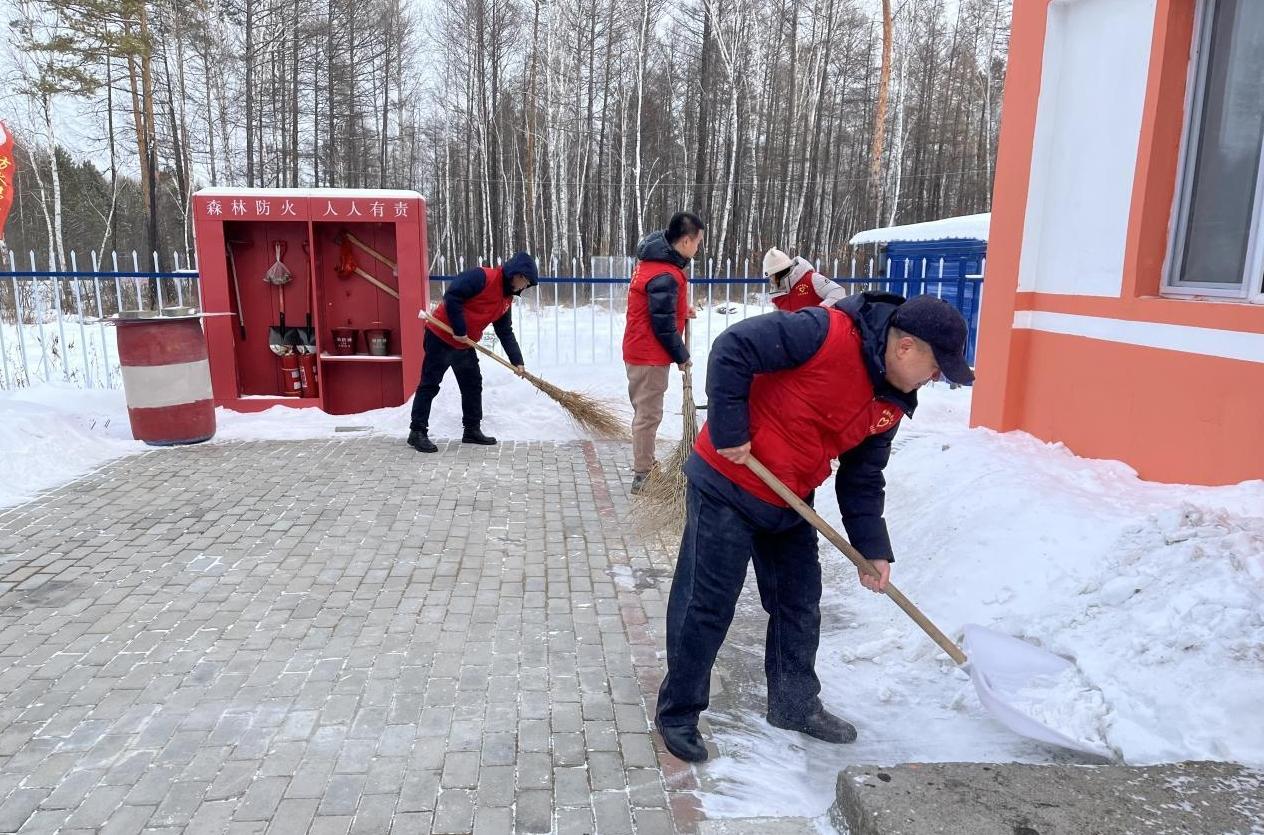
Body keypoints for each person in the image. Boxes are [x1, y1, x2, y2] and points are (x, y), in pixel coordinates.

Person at [654, 292, 975, 763]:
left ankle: (794, 705)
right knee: (707, 603)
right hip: (729, 481)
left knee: (799, 603)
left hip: (790, 497)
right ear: (905, 346)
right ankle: (678, 712)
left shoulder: (891, 401)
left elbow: (863, 477)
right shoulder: (824, 333)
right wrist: (730, 429)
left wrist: (872, 548)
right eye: (935, 367)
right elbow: (733, 347)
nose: (934, 378)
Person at [407, 252, 539, 452]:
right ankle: (416, 432)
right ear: (517, 274)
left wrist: (517, 360)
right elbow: (453, 295)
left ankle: (471, 429)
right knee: (430, 384)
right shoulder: (483, 277)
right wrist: (460, 329)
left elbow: (504, 331)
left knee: (472, 384)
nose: (525, 287)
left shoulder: (506, 300)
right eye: (526, 282)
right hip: (440, 335)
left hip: (464, 344)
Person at [622, 212, 704, 493]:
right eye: (697, 242)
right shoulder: (664, 274)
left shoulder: (654, 264)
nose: (698, 248)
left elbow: (657, 308)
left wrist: (680, 310)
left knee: (646, 412)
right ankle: (643, 475)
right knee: (648, 415)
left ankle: (646, 465)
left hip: (642, 348)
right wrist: (682, 356)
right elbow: (662, 325)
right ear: (685, 241)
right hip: (649, 355)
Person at [763, 247, 848, 311]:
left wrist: (820, 312)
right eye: (770, 277)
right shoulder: (776, 294)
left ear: (781, 271)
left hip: (820, 329)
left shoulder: (811, 279)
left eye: (773, 276)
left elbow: (838, 292)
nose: (772, 280)